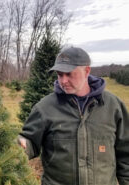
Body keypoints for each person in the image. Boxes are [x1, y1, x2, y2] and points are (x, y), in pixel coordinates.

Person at [18, 47, 129, 185]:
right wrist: (21, 145)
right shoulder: (44, 108)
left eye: (69, 74)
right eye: (59, 74)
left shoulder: (113, 106)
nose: (63, 81)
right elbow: (29, 142)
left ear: (86, 71)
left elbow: (125, 154)